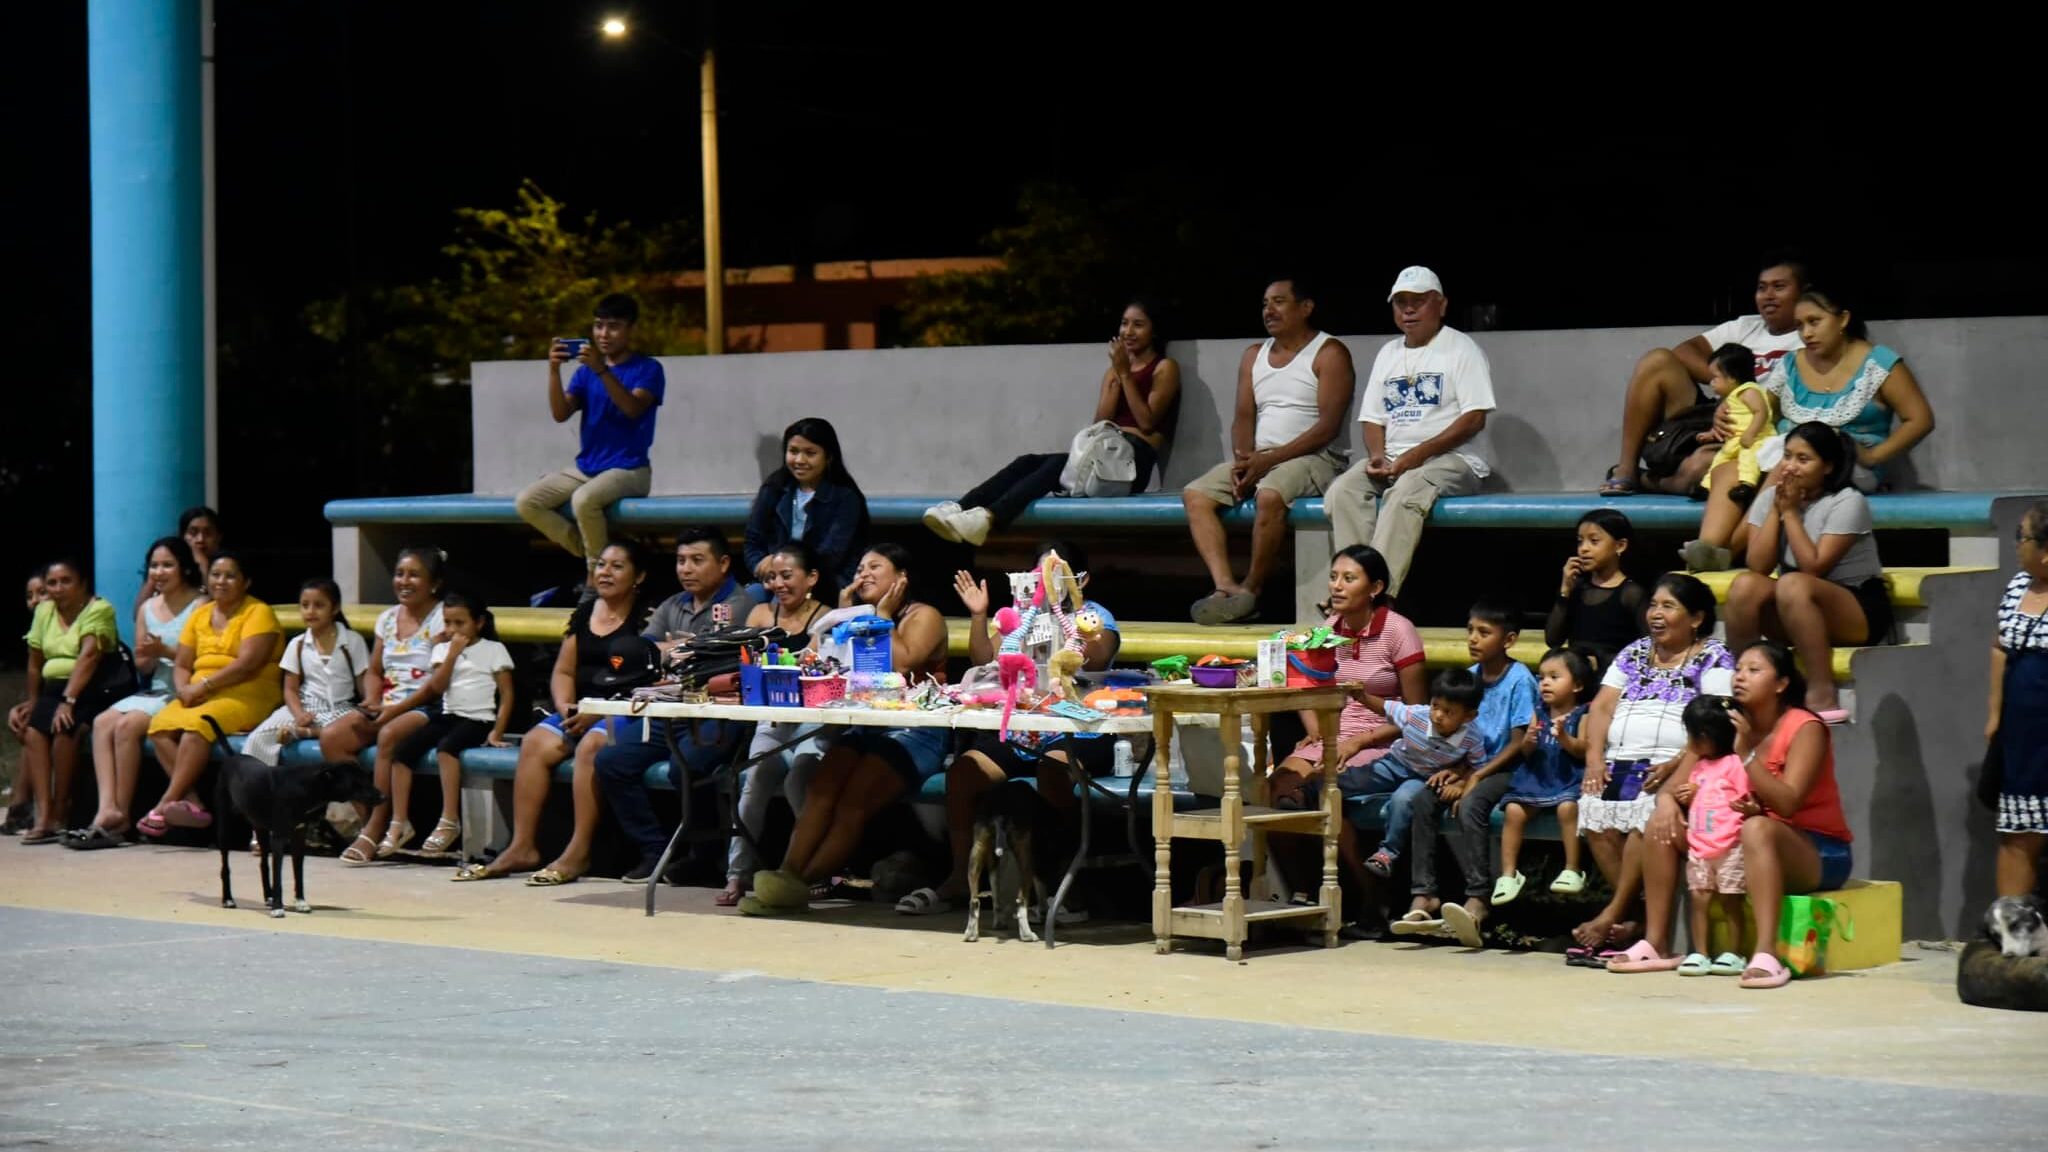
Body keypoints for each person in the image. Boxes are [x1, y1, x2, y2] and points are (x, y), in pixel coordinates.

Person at [893, 540, 1123, 918]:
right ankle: (957, 879)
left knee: (1053, 769)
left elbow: (1098, 654)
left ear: (1079, 578)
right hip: (1023, 732)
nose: (1045, 580)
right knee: (964, 773)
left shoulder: (1094, 613)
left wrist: (1074, 608)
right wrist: (981, 615)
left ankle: (1065, 879)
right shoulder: (1021, 616)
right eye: (1039, 573)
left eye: (1055, 573)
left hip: (1079, 729)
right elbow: (985, 657)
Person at [1619, 641, 1854, 988]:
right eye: (1739, 669)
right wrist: (1668, 803)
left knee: (1758, 828)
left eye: (1754, 671)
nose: (1740, 677)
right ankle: (1657, 943)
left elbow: (1787, 804)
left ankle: (1766, 954)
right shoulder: (1724, 722)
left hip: (1815, 850)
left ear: (1781, 683)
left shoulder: (1804, 727)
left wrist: (1745, 754)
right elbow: (1671, 789)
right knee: (1660, 821)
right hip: (1733, 846)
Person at [740, 544, 949, 915]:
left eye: (875, 567)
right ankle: (787, 874)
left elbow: (900, 663)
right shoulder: (856, 616)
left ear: (901, 578)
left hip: (914, 730)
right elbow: (824, 661)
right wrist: (842, 615)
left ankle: (799, 886)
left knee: (852, 802)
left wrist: (881, 616)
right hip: (866, 725)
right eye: (860, 567)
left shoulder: (925, 616)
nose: (863, 574)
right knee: (821, 790)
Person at [454, 540, 655, 884]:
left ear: (639, 576)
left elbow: (648, 679)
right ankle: (522, 846)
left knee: (593, 747)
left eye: (617, 566)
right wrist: (565, 708)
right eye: (602, 565)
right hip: (577, 710)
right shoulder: (585, 613)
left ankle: (578, 852)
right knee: (534, 742)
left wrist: (597, 711)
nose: (605, 572)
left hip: (622, 709)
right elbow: (563, 672)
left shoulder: (647, 620)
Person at [925, 299, 1183, 546]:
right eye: (1124, 323)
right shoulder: (1116, 369)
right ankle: (961, 508)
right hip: (1103, 453)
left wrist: (1126, 374)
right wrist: (1117, 376)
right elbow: (1100, 424)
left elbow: (1147, 422)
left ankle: (988, 518)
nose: (1128, 331)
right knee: (1028, 461)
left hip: (1131, 464)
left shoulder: (1164, 368)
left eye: (1138, 325)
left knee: (1058, 464)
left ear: (1154, 330)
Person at [1261, 545, 1429, 917]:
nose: (1337, 586)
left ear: (1375, 587)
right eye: (1334, 577)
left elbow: (1417, 716)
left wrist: (1361, 740)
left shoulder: (1399, 631)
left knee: (1326, 794)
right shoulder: (1326, 632)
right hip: (1333, 740)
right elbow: (1307, 687)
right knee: (1277, 790)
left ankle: (1370, 902)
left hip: (1382, 741)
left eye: (1349, 578)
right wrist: (1315, 730)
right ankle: (1303, 896)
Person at [1571, 574, 1733, 955]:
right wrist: (1594, 758)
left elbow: (1715, 722)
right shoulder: (1633, 652)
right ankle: (1636, 916)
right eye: (1653, 605)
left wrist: (1679, 761)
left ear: (1696, 618)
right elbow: (1602, 707)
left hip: (1679, 763)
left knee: (1646, 813)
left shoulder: (1716, 656)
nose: (1655, 614)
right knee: (1595, 812)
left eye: (1668, 606)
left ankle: (1614, 913)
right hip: (1621, 759)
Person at [1184, 279, 1354, 625]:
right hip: (1263, 457)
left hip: (1317, 457)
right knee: (1196, 494)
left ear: (1305, 308)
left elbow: (1327, 428)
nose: (1269, 310)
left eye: (1279, 302)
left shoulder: (1329, 352)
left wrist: (1266, 462)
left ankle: (1252, 589)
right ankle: (1225, 586)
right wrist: (1244, 460)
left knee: (1270, 495)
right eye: (1264, 303)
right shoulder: (1253, 355)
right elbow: (1243, 416)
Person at [595, 530, 761, 884]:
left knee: (684, 766)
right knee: (612, 761)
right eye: (681, 560)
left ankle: (704, 856)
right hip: (673, 706)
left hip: (721, 710)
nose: (686, 568)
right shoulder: (673, 604)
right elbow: (645, 653)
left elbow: (723, 657)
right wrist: (683, 650)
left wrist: (682, 650)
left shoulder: (743, 605)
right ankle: (655, 851)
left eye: (697, 560)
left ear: (723, 563)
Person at [1323, 266, 1495, 596]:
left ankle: (1376, 596)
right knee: (1343, 490)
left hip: (1454, 461)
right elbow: (1372, 419)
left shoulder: (1462, 348)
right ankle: (1351, 585)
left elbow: (1474, 419)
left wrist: (1415, 456)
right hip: (1394, 459)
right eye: (1401, 302)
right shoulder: (1388, 353)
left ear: (1441, 305)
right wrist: (1376, 456)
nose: (1409, 309)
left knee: (1406, 492)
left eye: (1419, 301)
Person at [1725, 422, 1893, 723]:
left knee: (1793, 584)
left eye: (1803, 459)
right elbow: (1758, 565)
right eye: (1787, 456)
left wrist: (1790, 513)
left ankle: (1821, 691)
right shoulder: (1772, 498)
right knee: (1744, 586)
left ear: (1827, 466)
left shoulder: (1847, 501)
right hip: (1796, 605)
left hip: (1856, 607)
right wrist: (1777, 509)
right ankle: (1746, 683)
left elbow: (1814, 567)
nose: (1790, 467)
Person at [1603, 254, 1808, 496]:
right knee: (1657, 361)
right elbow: (1684, 351)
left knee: (1703, 468)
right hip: (1714, 417)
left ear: (1804, 292)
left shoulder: (1810, 336)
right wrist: (1731, 392)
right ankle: (1626, 469)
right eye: (1762, 288)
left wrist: (1750, 404)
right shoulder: (1745, 326)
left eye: (1779, 287)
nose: (1768, 296)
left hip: (1759, 431)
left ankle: (1646, 480)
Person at [1398, 599, 1540, 946]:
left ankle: (1478, 899)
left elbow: (1517, 744)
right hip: (1471, 766)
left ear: (1508, 640)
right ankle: (1425, 895)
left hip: (1510, 769)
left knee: (1474, 803)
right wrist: (1456, 771)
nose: (1473, 639)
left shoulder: (1520, 680)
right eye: (1470, 631)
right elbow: (1464, 738)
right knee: (1423, 798)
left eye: (1484, 633)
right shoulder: (1471, 677)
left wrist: (1473, 778)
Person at [515, 293, 667, 575]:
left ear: (631, 329)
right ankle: (599, 556)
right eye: (598, 325)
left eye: (613, 326)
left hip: (630, 469)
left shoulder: (649, 368)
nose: (603, 334)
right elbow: (561, 414)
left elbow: (632, 408)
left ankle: (596, 577)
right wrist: (553, 371)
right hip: (587, 467)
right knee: (527, 502)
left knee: (584, 500)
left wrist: (600, 369)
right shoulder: (585, 373)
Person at [139, 553, 285, 837]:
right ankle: (192, 802)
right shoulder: (200, 614)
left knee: (198, 728)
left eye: (230, 575)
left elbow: (247, 665)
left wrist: (202, 687)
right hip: (199, 692)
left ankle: (164, 803)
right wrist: (183, 689)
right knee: (159, 728)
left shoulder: (258, 613)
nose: (221, 581)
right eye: (216, 574)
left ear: (246, 582)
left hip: (247, 693)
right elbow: (182, 663)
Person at [720, 542, 832, 905]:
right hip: (771, 716)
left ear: (811, 577)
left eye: (787, 576)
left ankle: (807, 872)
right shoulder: (758, 615)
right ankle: (736, 876)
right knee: (753, 782)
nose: (778, 584)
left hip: (813, 719)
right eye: (772, 577)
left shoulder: (827, 618)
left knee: (801, 777)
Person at [79, 538, 207, 846]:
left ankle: (121, 815)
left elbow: (204, 659)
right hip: (156, 689)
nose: (159, 572)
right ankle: (106, 807)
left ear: (184, 568)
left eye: (167, 565)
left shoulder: (200, 605)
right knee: (102, 722)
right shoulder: (148, 608)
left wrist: (166, 650)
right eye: (154, 566)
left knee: (127, 725)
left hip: (183, 689)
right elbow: (143, 665)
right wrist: (150, 654)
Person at [1755, 286, 1936, 493]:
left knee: (1791, 467)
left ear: (1843, 319)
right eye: (1799, 325)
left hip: (1847, 468)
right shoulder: (1791, 363)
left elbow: (1920, 420)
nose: (1806, 333)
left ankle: (1750, 525)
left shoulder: (1878, 363)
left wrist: (1873, 456)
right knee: (1729, 467)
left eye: (1814, 322)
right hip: (1788, 460)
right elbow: (1765, 412)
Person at [333, 548, 449, 864]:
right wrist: (372, 698)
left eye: (414, 575)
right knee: (333, 738)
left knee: (388, 736)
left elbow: (435, 684)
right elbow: (374, 671)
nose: (404, 581)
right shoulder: (386, 619)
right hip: (387, 705)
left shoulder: (441, 618)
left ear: (434, 584)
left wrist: (392, 711)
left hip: (428, 707)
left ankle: (376, 828)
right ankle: (372, 816)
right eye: (400, 574)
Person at [386, 593, 514, 858]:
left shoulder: (493, 650)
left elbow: (507, 694)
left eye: (460, 623)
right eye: (448, 623)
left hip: (479, 718)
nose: (453, 630)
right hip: (449, 714)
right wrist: (452, 655)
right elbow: (438, 687)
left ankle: (449, 819)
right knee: (402, 754)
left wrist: (497, 730)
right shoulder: (442, 650)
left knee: (447, 749)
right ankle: (399, 821)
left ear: (478, 623)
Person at [7, 560, 125, 844]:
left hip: (91, 689)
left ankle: (62, 808)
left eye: (66, 581)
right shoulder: (45, 611)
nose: (58, 589)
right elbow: (35, 661)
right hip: (53, 690)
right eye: (52, 583)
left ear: (83, 584)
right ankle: (43, 815)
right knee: (33, 731)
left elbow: (89, 657)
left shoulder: (99, 609)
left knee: (64, 730)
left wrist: (68, 701)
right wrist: (33, 701)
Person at [1338, 672, 1487, 890]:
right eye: (1435, 705)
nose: (1438, 715)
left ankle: (1386, 854)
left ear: (1468, 717)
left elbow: (1479, 766)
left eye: (1448, 712)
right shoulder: (1418, 715)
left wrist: (1461, 783)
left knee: (1403, 799)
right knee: (1352, 780)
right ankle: (1310, 792)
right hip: (1396, 764)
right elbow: (1386, 708)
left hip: (1424, 778)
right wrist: (1362, 696)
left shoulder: (1472, 737)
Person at [1493, 647, 1593, 905]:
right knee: (1514, 810)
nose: (1545, 683)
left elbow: (1583, 750)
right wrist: (1528, 741)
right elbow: (1527, 752)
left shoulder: (1583, 714)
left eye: (1554, 677)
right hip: (1537, 776)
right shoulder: (1538, 711)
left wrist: (1564, 738)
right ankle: (1508, 874)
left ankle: (1572, 869)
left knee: (1567, 808)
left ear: (1577, 685)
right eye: (1541, 677)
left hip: (1566, 775)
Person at [240, 580, 374, 768]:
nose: (310, 611)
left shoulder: (352, 641)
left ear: (334, 608)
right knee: (257, 739)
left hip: (341, 707)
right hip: (306, 706)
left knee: (346, 729)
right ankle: (264, 791)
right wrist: (299, 714)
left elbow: (364, 681)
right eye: (305, 605)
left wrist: (370, 706)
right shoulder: (297, 644)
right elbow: (290, 689)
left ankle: (305, 732)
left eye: (319, 605)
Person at [1986, 500, 2048, 896]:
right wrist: (1994, 715)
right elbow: (1999, 648)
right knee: (2017, 831)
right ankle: (2010, 935)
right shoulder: (2016, 586)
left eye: (2022, 537)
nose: (2016, 545)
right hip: (2021, 736)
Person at [1680, 344, 1778, 573]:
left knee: (1754, 466)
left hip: (1760, 443)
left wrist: (1751, 434)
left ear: (1732, 377)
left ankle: (1722, 554)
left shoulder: (1750, 391)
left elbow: (1762, 412)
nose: (1711, 383)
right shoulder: (1734, 396)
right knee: (1721, 464)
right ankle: (1706, 548)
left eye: (1715, 378)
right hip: (1736, 442)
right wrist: (1713, 430)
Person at [743, 418, 870, 592]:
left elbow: (830, 556)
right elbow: (752, 542)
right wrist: (765, 567)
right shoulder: (774, 488)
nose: (799, 460)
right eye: (793, 451)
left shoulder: (846, 497)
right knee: (751, 596)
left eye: (810, 453)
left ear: (828, 457)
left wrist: (782, 570)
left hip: (825, 582)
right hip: (775, 581)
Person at [1675, 694, 1751, 977]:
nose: (1689, 742)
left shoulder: (1735, 763)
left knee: (1731, 900)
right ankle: (1701, 952)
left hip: (1730, 845)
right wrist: (1691, 793)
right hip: (1699, 846)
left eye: (1692, 735)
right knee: (1699, 899)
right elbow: (1697, 791)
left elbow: (1744, 796)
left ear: (1705, 736)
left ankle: (1734, 952)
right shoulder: (1699, 766)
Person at [1543, 509, 1645, 673]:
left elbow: (1647, 649)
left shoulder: (1631, 593)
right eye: (1580, 541)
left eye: (1594, 541)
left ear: (1620, 545)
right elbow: (1553, 640)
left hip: (1613, 678)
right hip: (1577, 680)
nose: (1584, 549)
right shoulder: (1577, 588)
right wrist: (1565, 591)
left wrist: (1601, 661)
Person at [3, 569, 50, 835]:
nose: (35, 601)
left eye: (41, 592)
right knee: (25, 725)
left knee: (33, 728)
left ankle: (20, 807)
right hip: (45, 701)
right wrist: (20, 707)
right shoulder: (37, 631)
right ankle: (20, 807)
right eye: (29, 596)